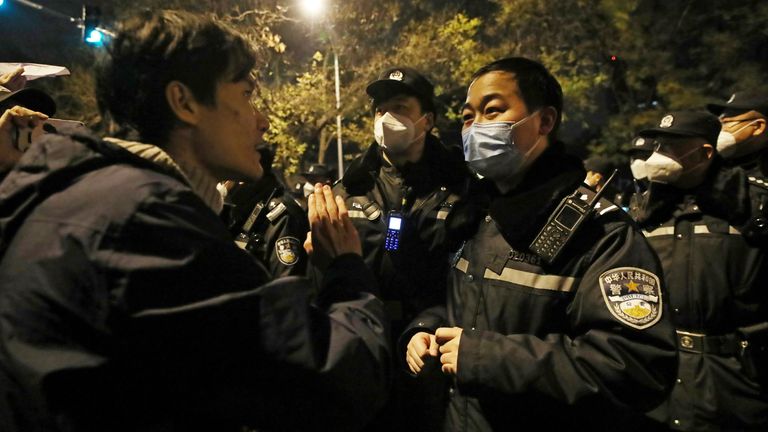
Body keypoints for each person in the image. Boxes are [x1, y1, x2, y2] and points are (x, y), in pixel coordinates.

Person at [0, 10, 389, 432]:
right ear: (183, 102)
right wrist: (346, 270)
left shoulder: (75, 197)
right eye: (244, 95)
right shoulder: (148, 223)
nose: (262, 121)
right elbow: (335, 381)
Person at [404, 57, 677, 431]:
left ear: (544, 121)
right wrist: (427, 330)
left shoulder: (601, 233)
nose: (475, 128)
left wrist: (487, 358)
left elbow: (637, 366)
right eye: (468, 117)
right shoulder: (472, 217)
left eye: (493, 110)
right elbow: (460, 307)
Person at [327, 66, 472, 430]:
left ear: (427, 120)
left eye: (400, 107)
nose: (386, 118)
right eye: (380, 109)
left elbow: (470, 283)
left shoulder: (462, 187)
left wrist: (429, 324)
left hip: (430, 354)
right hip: (364, 346)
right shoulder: (350, 189)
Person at [629, 110, 768, 430]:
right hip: (665, 372)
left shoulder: (748, 202)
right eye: (659, 145)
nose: (658, 155)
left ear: (705, 153)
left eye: (672, 147)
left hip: (737, 380)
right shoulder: (652, 211)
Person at [223, 145, 310, 278]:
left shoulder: (280, 215)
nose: (223, 184)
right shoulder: (246, 208)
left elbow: (286, 283)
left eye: (227, 176)